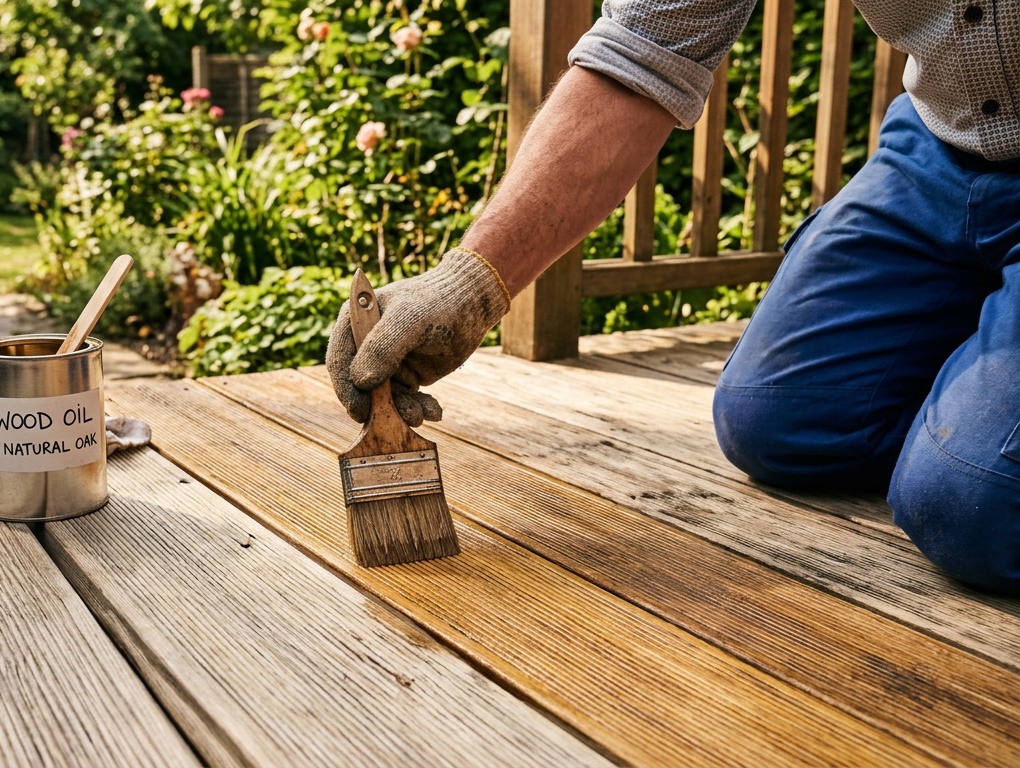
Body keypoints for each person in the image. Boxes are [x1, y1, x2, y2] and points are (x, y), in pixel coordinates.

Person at [326, 1, 1020, 596]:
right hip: (941, 141)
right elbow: (643, 48)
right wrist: (470, 283)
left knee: (973, 508)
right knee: (779, 423)